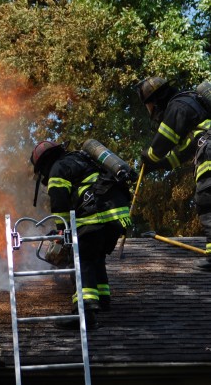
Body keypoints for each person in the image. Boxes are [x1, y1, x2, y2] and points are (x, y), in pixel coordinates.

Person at [30, 140, 132, 329]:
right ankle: (103, 300)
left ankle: (85, 314)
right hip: (116, 217)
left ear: (43, 164)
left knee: (81, 260)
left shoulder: (57, 169)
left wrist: (61, 231)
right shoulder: (81, 159)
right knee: (96, 257)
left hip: (96, 217)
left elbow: (59, 205)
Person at [137, 76, 211, 270]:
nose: (150, 111)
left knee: (207, 201)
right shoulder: (195, 107)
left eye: (149, 105)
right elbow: (186, 150)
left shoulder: (177, 106)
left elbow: (163, 141)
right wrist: (160, 165)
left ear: (155, 100)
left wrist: (150, 157)